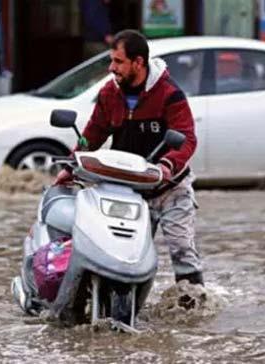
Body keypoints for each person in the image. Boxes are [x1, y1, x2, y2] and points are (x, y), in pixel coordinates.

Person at [55, 29, 204, 286]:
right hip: (127, 190)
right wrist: (71, 165)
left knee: (182, 251)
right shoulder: (108, 94)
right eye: (111, 61)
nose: (112, 68)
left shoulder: (169, 94)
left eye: (118, 62)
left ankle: (194, 305)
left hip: (170, 188)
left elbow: (187, 138)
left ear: (138, 62)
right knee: (121, 254)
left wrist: (167, 165)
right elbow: (93, 133)